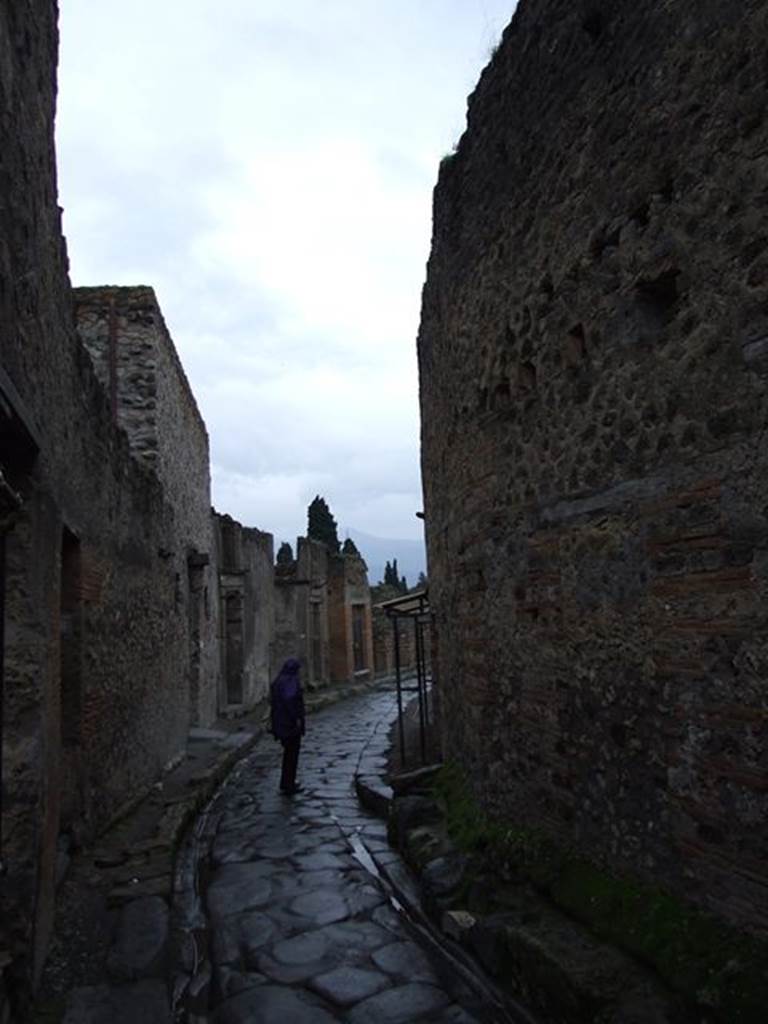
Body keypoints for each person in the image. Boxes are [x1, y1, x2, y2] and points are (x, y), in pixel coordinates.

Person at [270, 657, 305, 795]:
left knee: (287, 755)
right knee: (292, 755)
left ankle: (286, 782)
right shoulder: (290, 681)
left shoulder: (278, 680)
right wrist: (296, 719)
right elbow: (290, 700)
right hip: (290, 726)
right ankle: (289, 784)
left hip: (280, 724)